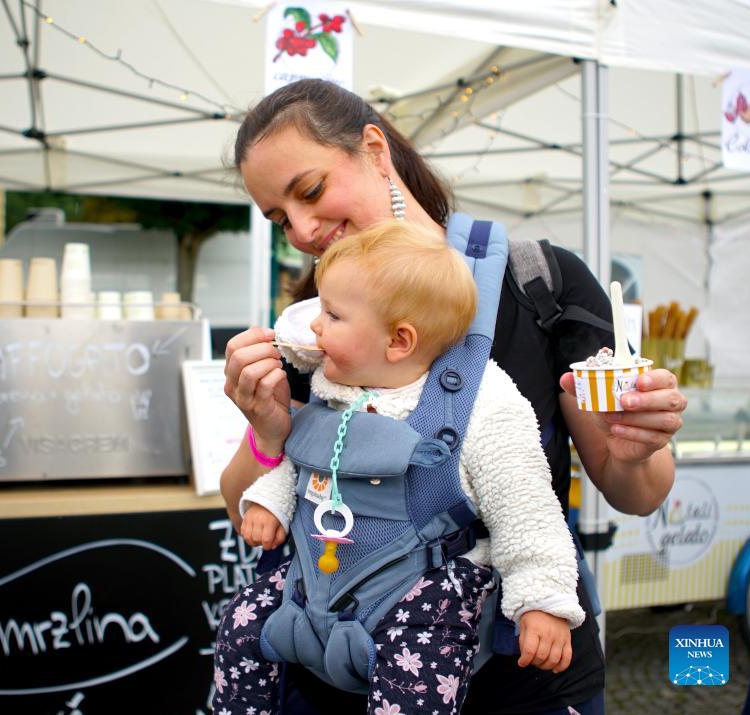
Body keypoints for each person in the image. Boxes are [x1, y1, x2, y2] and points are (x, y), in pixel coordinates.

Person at [220, 79, 686, 715]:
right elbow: (247, 510)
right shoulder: (316, 326)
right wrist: (267, 431)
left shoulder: (540, 284)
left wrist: (637, 447)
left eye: (311, 190)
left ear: (374, 150)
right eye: (279, 218)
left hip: (528, 676)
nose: (301, 229)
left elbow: (637, 493)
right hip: (346, 673)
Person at [214, 221, 584, 715]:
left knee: (417, 681)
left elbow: (527, 511)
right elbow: (311, 461)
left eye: (332, 315)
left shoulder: (481, 404)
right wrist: (269, 501)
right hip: (319, 579)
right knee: (241, 622)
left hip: (422, 591)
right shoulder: (335, 385)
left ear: (398, 340)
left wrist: (542, 601)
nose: (316, 327)